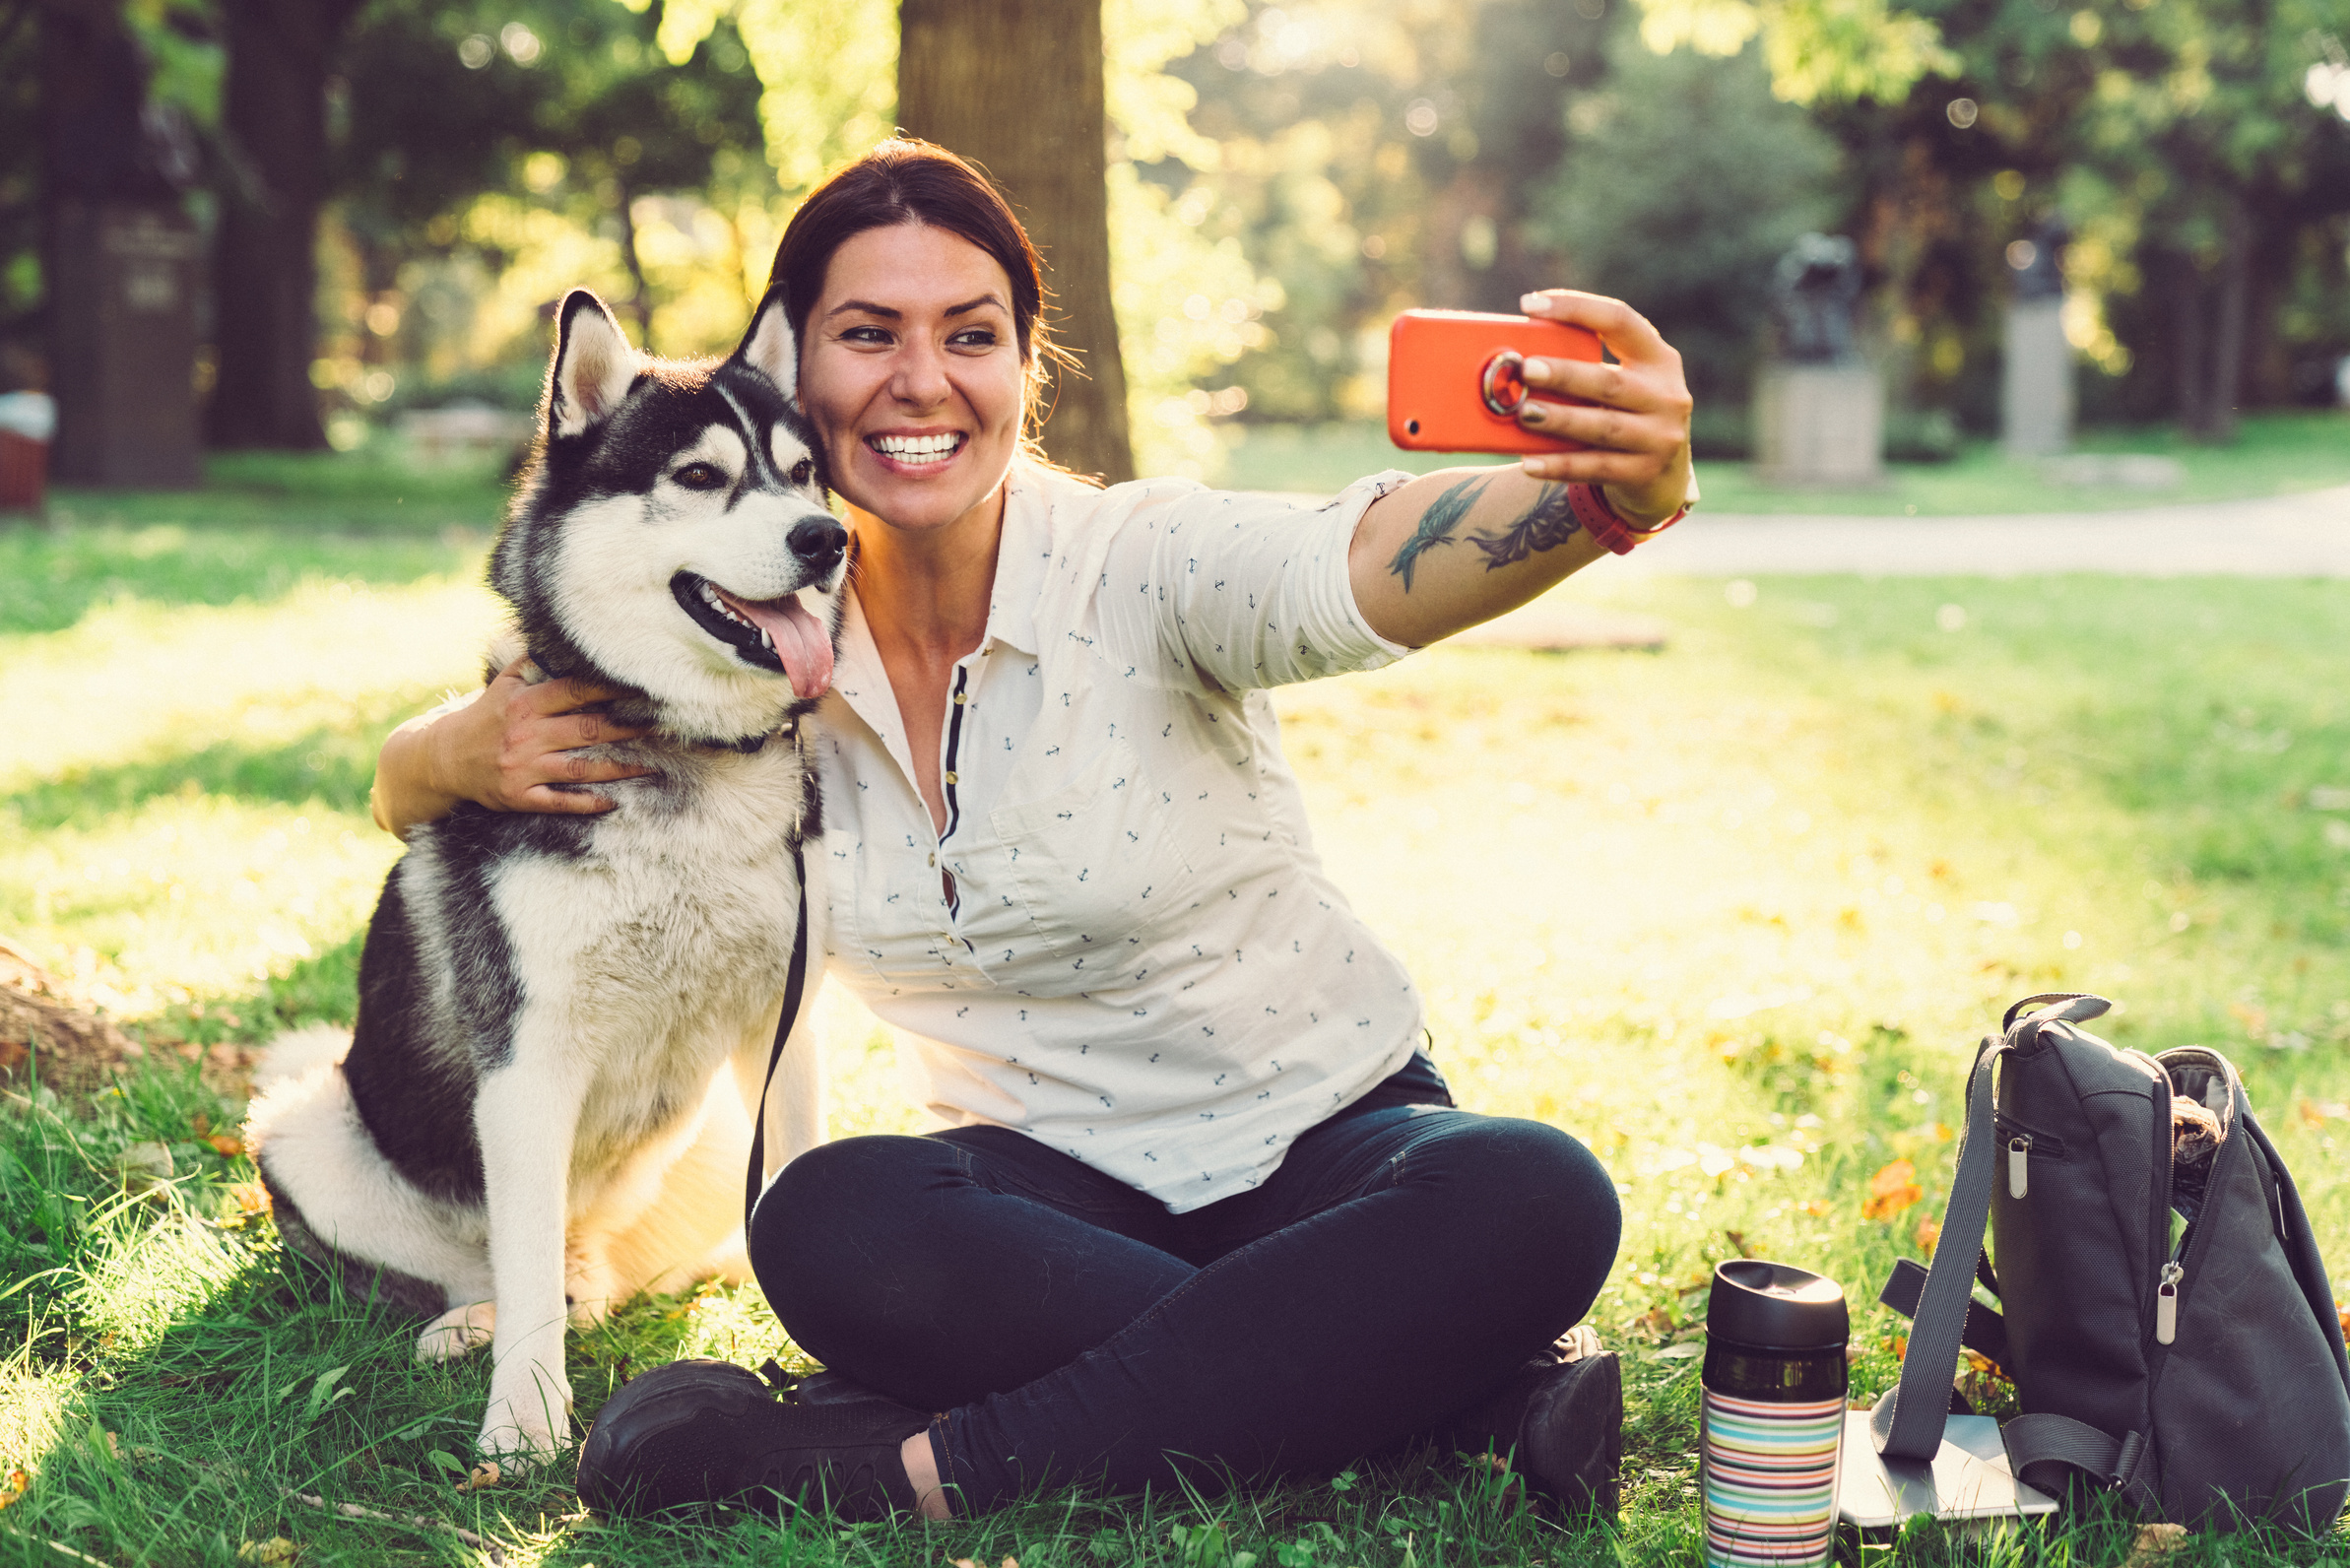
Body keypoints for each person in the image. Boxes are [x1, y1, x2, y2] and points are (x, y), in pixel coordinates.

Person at [368, 138, 1695, 1523]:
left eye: (972, 335)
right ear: (794, 375)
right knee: (823, 1225)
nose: (921, 380)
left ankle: (893, 1474)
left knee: (1533, 1192)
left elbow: (1353, 560)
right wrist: (436, 752)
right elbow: (479, 763)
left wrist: (1607, 493)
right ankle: (1461, 1401)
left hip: (1325, 1147)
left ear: (1024, 367)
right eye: (867, 334)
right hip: (1043, 1206)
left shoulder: (1142, 564)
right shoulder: (749, 657)